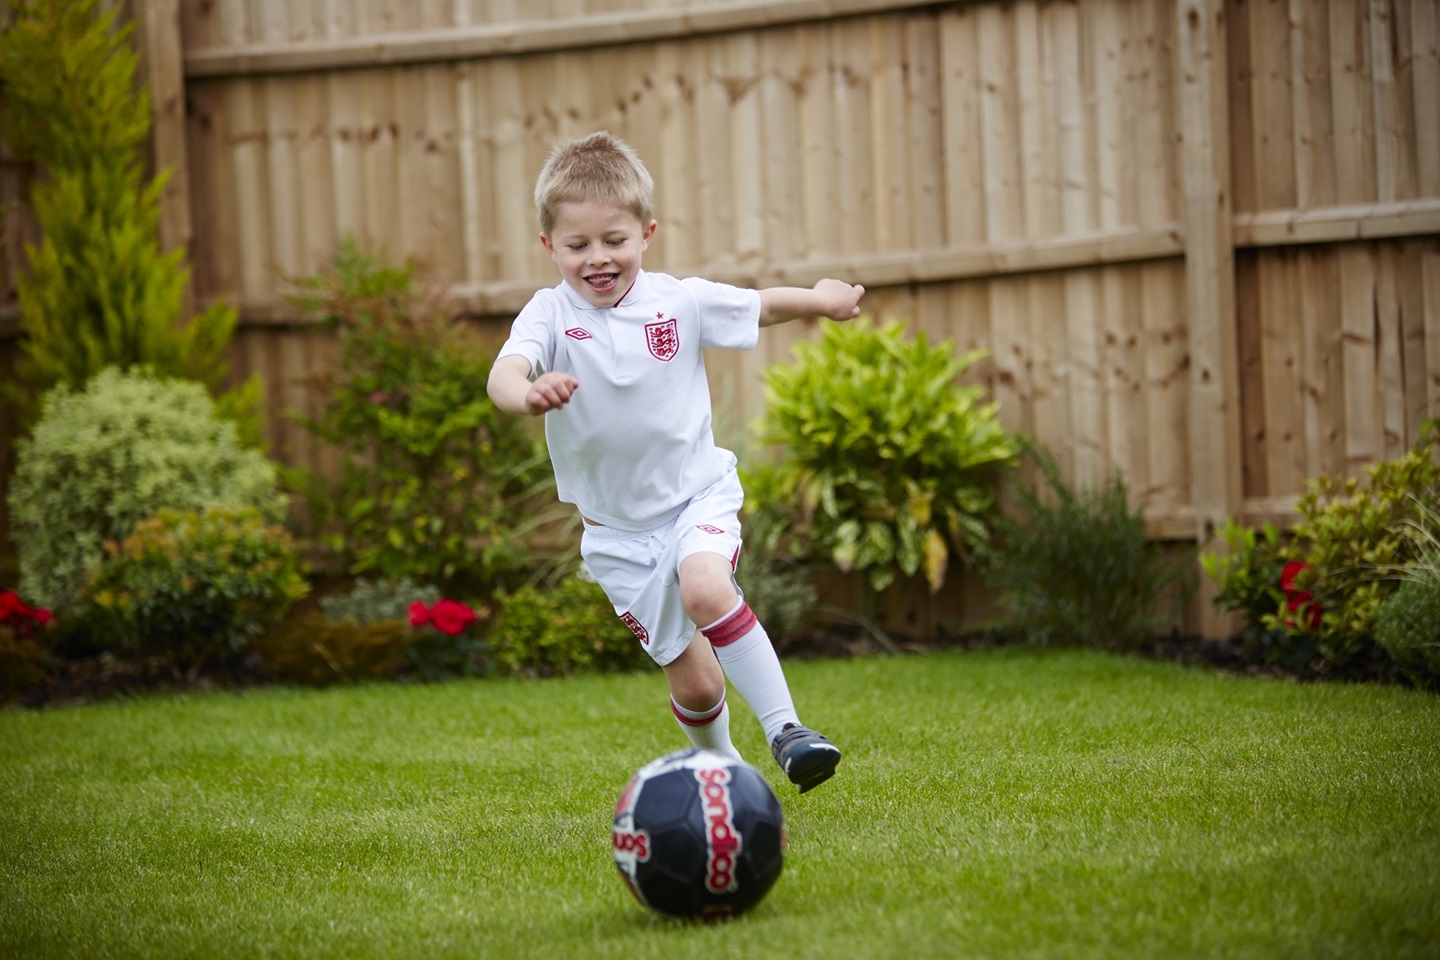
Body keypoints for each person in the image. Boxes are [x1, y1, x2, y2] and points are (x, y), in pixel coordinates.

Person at [487, 131, 864, 793]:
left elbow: (761, 305)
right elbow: (505, 371)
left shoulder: (678, 301)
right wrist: (526, 394)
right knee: (695, 681)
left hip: (697, 498)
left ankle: (787, 732)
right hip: (618, 539)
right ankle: (724, 771)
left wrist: (823, 300)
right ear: (550, 247)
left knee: (706, 589)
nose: (599, 259)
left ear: (646, 234)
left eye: (615, 241)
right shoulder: (548, 313)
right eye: (578, 246)